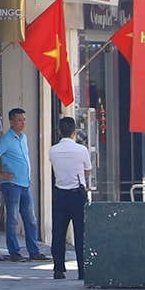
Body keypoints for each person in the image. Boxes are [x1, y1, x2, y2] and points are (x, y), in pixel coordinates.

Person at [0, 108, 49, 261]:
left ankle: (34, 252)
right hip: (12, 184)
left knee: (30, 220)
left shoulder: (23, 138)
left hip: (24, 184)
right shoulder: (7, 139)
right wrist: (0, 174)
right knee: (13, 219)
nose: (23, 123)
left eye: (24, 120)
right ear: (12, 122)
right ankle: (14, 252)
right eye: (19, 120)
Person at [48, 116, 91, 280]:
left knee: (58, 232)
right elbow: (87, 171)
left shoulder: (53, 150)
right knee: (81, 233)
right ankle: (82, 270)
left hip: (60, 193)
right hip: (77, 194)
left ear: (59, 131)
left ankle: (58, 269)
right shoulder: (81, 150)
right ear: (74, 131)